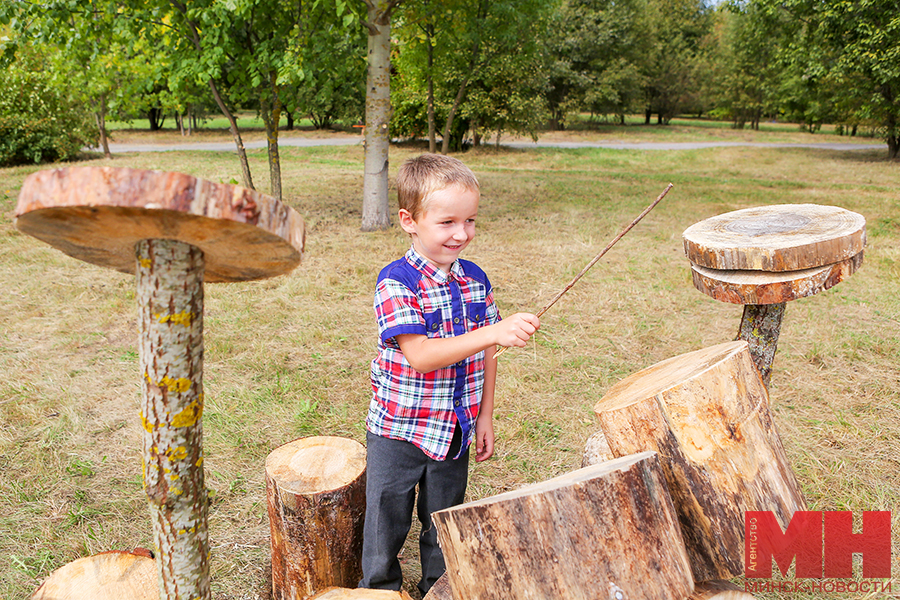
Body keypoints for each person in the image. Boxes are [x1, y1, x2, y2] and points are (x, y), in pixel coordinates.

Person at [359, 154, 540, 596]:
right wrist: (492, 331)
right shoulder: (396, 282)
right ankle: (379, 590)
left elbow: (487, 353)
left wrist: (485, 416)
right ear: (409, 220)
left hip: (454, 428)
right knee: (386, 522)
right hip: (399, 430)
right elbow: (420, 355)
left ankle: (437, 589)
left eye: (470, 220)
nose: (461, 234)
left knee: (443, 521)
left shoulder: (475, 280)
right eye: (447, 222)